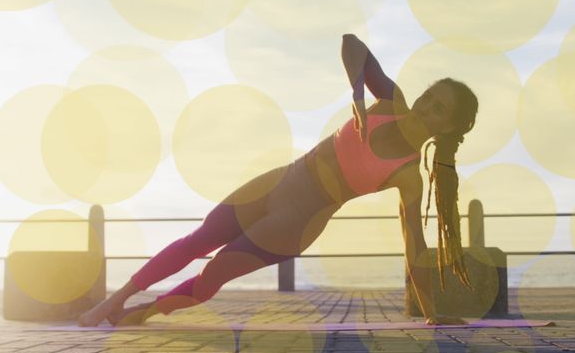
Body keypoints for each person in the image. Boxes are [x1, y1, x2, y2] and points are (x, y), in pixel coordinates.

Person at [77, 34, 479, 327]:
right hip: (279, 182)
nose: (426, 107)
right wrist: (358, 92)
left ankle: (145, 312)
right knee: (197, 240)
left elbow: (414, 245)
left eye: (439, 110)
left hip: (297, 222)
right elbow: (351, 44)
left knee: (213, 274)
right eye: (429, 96)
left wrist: (431, 313)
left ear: (446, 129)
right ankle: (115, 301)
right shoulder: (389, 101)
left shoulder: (408, 175)